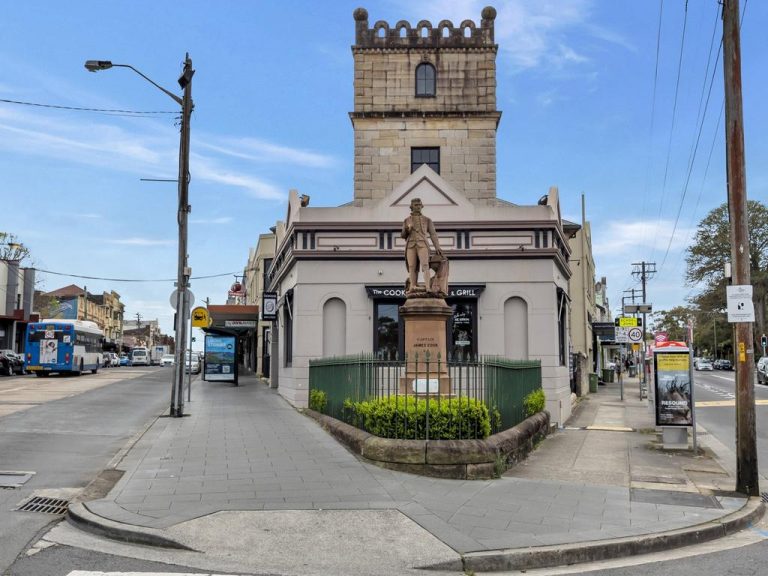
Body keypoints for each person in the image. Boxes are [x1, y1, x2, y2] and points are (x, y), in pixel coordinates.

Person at [401, 197, 443, 294]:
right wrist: (408, 229)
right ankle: (412, 286)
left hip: (422, 244)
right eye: (416, 205)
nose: (418, 207)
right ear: (411, 207)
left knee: (425, 265)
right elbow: (403, 235)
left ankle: (428, 287)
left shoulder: (427, 220)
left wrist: (437, 247)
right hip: (411, 245)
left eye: (419, 205)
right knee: (412, 266)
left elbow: (433, 234)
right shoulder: (406, 220)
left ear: (422, 206)